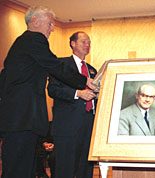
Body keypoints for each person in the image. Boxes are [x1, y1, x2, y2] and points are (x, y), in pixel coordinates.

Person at [0, 6, 96, 178]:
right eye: (50, 24)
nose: (52, 28)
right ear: (35, 21)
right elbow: (55, 66)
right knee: (18, 169)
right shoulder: (34, 39)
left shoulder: (20, 45)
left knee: (22, 168)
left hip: (18, 118)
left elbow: (4, 78)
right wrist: (85, 81)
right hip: (22, 118)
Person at [47, 31, 97, 178]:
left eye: (89, 42)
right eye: (83, 41)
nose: (87, 45)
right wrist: (78, 93)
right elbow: (53, 90)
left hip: (89, 122)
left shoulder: (92, 70)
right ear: (72, 44)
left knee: (86, 165)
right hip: (67, 124)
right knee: (65, 166)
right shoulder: (61, 65)